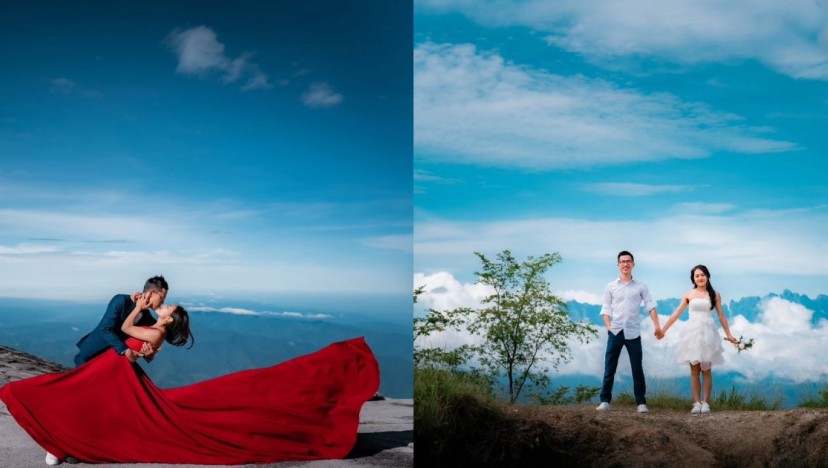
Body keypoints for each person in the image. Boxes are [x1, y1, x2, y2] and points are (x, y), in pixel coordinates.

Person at [0, 291, 379, 465]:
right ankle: (61, 442)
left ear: (167, 320)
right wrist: (144, 309)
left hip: (115, 374)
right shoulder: (156, 327)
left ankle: (63, 443)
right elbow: (129, 329)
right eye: (164, 303)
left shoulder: (155, 329)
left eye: (167, 308)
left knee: (69, 400)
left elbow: (129, 324)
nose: (163, 306)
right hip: (112, 371)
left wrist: (141, 304)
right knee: (76, 401)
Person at [657, 265, 738, 414]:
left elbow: (721, 315)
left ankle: (705, 402)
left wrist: (729, 335)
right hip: (692, 333)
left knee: (706, 369)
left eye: (702, 275)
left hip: (708, 333)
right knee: (694, 370)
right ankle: (696, 402)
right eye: (697, 276)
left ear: (707, 276)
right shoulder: (689, 294)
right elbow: (677, 312)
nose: (700, 278)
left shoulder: (715, 294)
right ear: (693, 279)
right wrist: (663, 329)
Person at [596, 250, 661, 413]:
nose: (625, 264)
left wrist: (657, 326)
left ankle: (641, 403)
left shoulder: (641, 286)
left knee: (637, 368)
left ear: (633, 264)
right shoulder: (610, 286)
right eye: (622, 261)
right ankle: (605, 401)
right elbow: (606, 308)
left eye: (628, 261)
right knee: (609, 367)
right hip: (615, 332)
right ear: (618, 265)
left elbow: (650, 306)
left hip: (633, 333)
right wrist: (608, 327)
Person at [74, 275, 169, 366]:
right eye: (162, 297)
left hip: (112, 363)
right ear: (150, 293)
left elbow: (148, 342)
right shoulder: (121, 300)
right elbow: (105, 329)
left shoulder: (147, 318)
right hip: (92, 353)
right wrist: (126, 350)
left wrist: (149, 356)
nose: (163, 302)